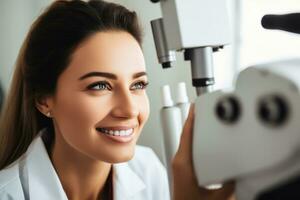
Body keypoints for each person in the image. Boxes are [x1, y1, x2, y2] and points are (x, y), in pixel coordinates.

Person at [0, 0, 235, 199]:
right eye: (100, 85)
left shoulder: (148, 169)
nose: (130, 109)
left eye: (138, 85)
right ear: (44, 101)